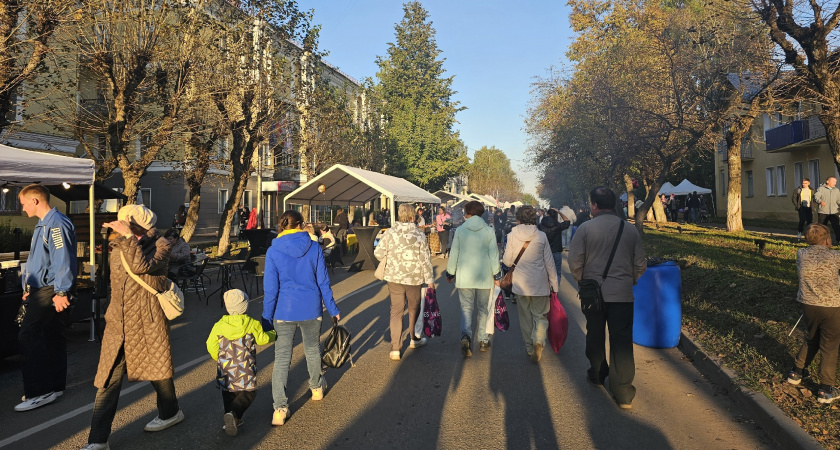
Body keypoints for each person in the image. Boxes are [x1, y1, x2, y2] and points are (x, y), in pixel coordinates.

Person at [84, 204, 183, 450]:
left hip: (147, 319)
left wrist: (128, 237)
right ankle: (97, 440)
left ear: (135, 223)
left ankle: (170, 412)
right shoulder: (118, 245)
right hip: (118, 322)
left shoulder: (161, 245)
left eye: (123, 222)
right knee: (109, 378)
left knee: (158, 373)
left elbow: (142, 267)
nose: (118, 225)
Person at [568, 187, 646, 410]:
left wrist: (584, 282)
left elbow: (575, 262)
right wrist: (628, 280)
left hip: (593, 294)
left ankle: (597, 374)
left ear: (594, 205)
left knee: (594, 333)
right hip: (622, 294)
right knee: (621, 341)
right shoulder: (629, 230)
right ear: (614, 204)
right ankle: (623, 392)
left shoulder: (585, 229)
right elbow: (640, 264)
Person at [263, 210, 340, 426]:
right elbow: (323, 282)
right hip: (311, 307)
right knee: (312, 350)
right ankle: (316, 388)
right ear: (301, 225)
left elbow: (270, 290)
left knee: (281, 359)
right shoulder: (314, 247)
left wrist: (266, 317)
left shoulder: (273, 251)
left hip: (283, 311)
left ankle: (279, 409)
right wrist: (333, 309)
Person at [15, 184, 76, 412]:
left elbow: (63, 259)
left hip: (49, 289)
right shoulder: (45, 224)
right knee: (52, 335)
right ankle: (55, 386)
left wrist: (61, 291)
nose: (23, 209)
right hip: (43, 288)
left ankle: (39, 391)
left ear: (36, 201)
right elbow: (40, 261)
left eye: (23, 204)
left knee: (28, 335)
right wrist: (28, 286)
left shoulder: (56, 225)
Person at [207, 289, 277, 436]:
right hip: (245, 367)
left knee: (228, 393)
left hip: (226, 367)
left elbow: (210, 344)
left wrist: (218, 358)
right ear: (245, 306)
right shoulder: (252, 323)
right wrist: (273, 334)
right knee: (249, 391)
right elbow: (262, 339)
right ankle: (235, 414)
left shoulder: (219, 325)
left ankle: (232, 419)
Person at [786, 224, 840, 403]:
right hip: (832, 306)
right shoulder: (835, 256)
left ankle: (796, 372)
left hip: (808, 305)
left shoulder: (801, 254)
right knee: (829, 346)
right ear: (827, 240)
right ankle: (825, 389)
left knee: (812, 337)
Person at [374, 204, 434, 361]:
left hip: (394, 276)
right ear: (412, 216)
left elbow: (378, 252)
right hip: (414, 278)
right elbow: (425, 260)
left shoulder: (390, 233)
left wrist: (392, 258)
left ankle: (396, 348)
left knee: (396, 310)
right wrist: (430, 280)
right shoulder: (418, 234)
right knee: (414, 308)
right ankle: (414, 338)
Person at [501, 206, 559, 363]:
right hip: (540, 284)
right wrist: (554, 285)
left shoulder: (512, 235)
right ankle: (538, 340)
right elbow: (549, 263)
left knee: (525, 318)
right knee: (540, 316)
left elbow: (506, 261)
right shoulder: (541, 236)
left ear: (518, 218)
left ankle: (529, 347)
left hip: (520, 285)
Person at [445, 201, 501, 357]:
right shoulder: (489, 231)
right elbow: (494, 255)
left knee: (466, 308)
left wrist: (450, 273)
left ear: (468, 213)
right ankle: (483, 339)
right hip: (484, 276)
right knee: (483, 309)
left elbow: (454, 253)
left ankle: (466, 336)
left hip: (464, 276)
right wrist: (497, 275)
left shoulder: (461, 231)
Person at [539, 209, 571, 281]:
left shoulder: (540, 226)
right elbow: (567, 221)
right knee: (557, 272)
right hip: (556, 251)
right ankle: (555, 290)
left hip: (544, 252)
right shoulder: (558, 225)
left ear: (547, 214)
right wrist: (559, 212)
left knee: (544, 272)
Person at [815, 176, 840, 244]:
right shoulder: (821, 189)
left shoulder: (836, 190)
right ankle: (821, 241)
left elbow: (838, 200)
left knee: (836, 227)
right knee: (822, 227)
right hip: (823, 212)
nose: (835, 183)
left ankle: (838, 240)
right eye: (833, 182)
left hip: (834, 212)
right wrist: (820, 201)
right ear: (827, 181)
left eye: (835, 182)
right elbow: (816, 196)